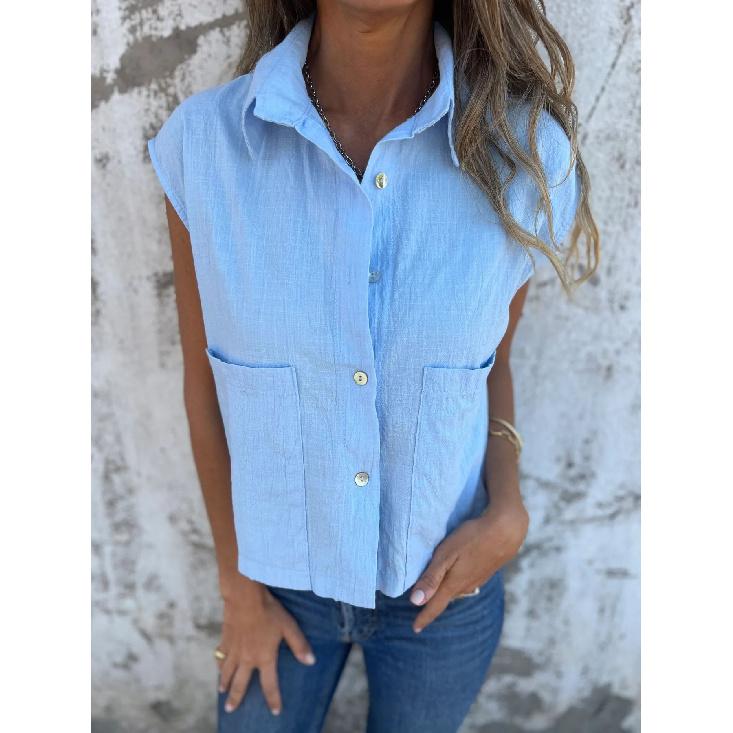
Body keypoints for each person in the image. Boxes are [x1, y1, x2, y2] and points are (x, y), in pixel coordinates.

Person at [147, 1, 599, 731]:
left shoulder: (524, 153)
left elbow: (490, 367)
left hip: (444, 592)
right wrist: (238, 590)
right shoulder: (206, 147)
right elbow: (206, 387)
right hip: (275, 586)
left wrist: (508, 510)